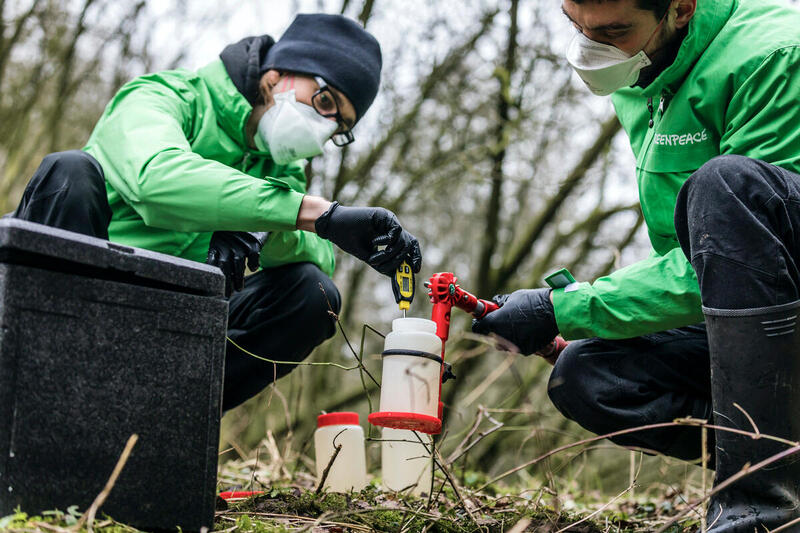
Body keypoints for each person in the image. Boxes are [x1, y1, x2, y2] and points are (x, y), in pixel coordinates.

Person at [472, 0, 800, 530]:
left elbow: (755, 248)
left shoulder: (776, 55)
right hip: (756, 312)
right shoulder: (642, 73)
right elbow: (698, 257)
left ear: (681, 8)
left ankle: (760, 513)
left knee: (728, 184)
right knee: (590, 372)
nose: (589, 47)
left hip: (789, 297)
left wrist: (569, 306)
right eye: (575, 25)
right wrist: (581, 319)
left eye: (614, 31)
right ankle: (785, 459)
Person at [12, 14, 421, 412]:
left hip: (174, 329)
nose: (325, 126)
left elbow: (315, 254)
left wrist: (261, 230)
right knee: (69, 172)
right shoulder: (165, 95)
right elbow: (155, 179)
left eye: (340, 125)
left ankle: (165, 423)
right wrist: (308, 213)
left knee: (313, 295)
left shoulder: (281, 169)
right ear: (279, 72)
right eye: (325, 101)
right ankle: (36, 401)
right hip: (85, 303)